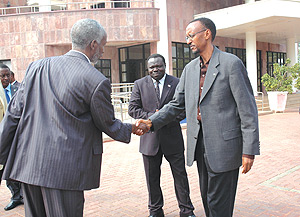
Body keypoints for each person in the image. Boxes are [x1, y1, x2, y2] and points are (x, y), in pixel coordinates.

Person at [0, 18, 147, 217]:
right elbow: (107, 123)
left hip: (29, 166)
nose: (103, 51)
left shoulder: (37, 67)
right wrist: (131, 128)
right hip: (65, 173)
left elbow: (13, 114)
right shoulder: (95, 80)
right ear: (93, 44)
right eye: (103, 45)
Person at [137, 17, 260, 217]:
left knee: (219, 205)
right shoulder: (190, 69)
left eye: (191, 35)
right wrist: (151, 122)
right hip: (200, 145)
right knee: (207, 200)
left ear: (207, 33)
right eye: (186, 37)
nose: (188, 41)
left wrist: (249, 150)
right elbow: (176, 105)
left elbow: (248, 110)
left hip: (226, 147)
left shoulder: (231, 64)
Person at [128, 54, 195, 217]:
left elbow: (184, 108)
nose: (155, 69)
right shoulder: (139, 84)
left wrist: (163, 119)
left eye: (158, 66)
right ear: (148, 69)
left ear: (165, 65)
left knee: (180, 177)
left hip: (172, 138)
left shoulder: (177, 83)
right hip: (149, 141)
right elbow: (133, 109)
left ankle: (186, 210)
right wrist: (152, 117)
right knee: (152, 179)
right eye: (152, 67)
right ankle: (155, 210)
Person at [0, 64, 23, 211]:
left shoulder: (18, 89)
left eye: (8, 75)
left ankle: (17, 196)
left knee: (14, 170)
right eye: (2, 76)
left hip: (16, 137)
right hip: (2, 138)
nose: (6, 78)